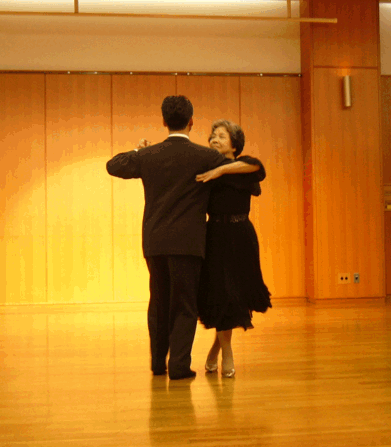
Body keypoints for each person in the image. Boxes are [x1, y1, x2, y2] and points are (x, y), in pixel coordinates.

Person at [106, 96, 258, 381]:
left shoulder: (149, 155)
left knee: (158, 302)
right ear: (191, 122)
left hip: (154, 241)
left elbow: (114, 165)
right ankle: (178, 366)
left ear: (164, 121)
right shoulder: (204, 156)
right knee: (184, 305)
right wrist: (222, 168)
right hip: (188, 243)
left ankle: (157, 363)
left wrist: (138, 150)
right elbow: (253, 166)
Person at [194, 120, 272, 378]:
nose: (214, 139)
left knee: (236, 296)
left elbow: (258, 166)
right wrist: (215, 171)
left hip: (241, 236)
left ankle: (216, 349)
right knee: (221, 294)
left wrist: (221, 171)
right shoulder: (205, 167)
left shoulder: (244, 168)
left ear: (234, 144)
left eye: (221, 136)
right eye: (212, 136)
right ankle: (227, 352)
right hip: (215, 236)